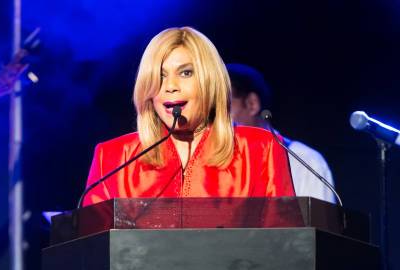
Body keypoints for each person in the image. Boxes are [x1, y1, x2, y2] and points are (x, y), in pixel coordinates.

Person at [82, 27, 294, 206]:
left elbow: (286, 242)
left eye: (186, 73)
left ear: (210, 81)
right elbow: (92, 248)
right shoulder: (112, 158)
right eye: (159, 76)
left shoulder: (262, 149)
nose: (171, 86)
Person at [227, 63, 336, 203]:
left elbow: (320, 224)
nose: (214, 120)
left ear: (252, 104)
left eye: (223, 107)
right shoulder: (208, 166)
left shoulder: (305, 162)